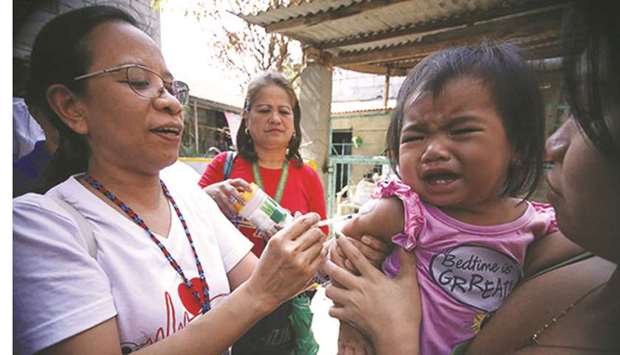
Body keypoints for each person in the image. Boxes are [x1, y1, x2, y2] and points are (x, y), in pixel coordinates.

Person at [13, 6, 326, 355]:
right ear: (71, 107)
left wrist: (329, 256)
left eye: (171, 87)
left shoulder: (184, 189)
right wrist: (260, 294)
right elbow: (261, 288)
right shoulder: (39, 226)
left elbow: (270, 277)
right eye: (137, 81)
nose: (172, 104)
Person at [325, 1, 620, 354]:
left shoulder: (535, 225)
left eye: (461, 130)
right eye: (415, 136)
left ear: (519, 147)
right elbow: (344, 254)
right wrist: (351, 334)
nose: (433, 150)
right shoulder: (405, 214)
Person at [198, 71, 332, 355]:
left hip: (289, 303)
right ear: (247, 119)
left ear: (294, 124)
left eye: (284, 111)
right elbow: (182, 218)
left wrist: (305, 236)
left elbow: (321, 239)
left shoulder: (306, 175)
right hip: (230, 306)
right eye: (264, 109)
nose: (275, 118)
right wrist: (207, 197)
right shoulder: (223, 167)